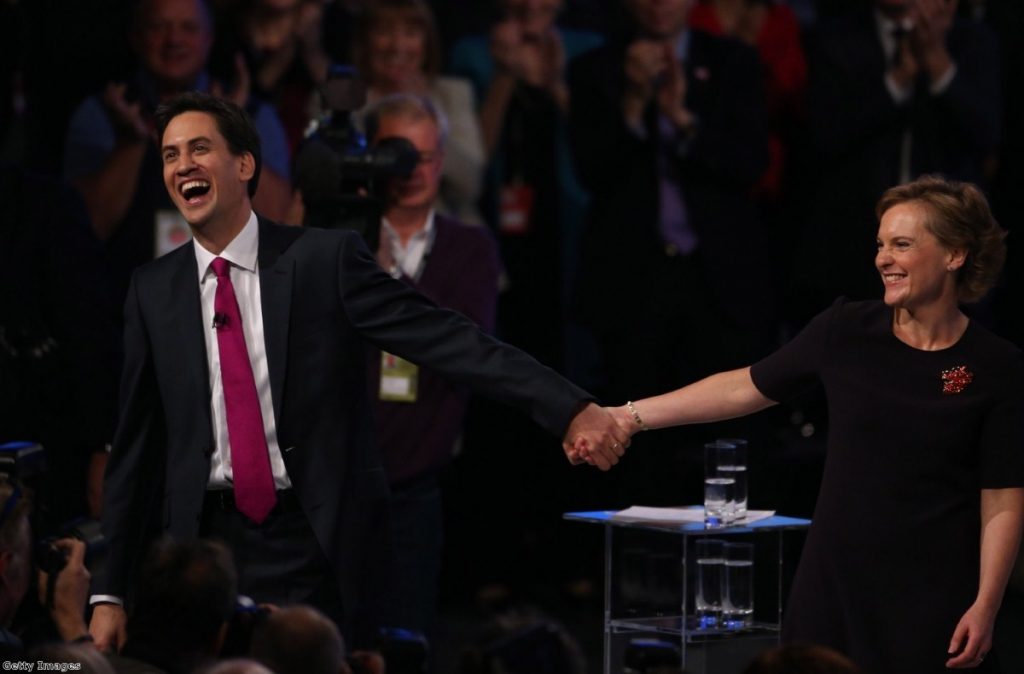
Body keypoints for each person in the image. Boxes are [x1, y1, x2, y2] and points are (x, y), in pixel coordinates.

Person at [88, 91, 626, 651]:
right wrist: (109, 593)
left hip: (312, 542)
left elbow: (452, 340)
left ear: (245, 164)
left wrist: (568, 406)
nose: (183, 166)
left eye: (200, 148)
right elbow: (133, 451)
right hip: (203, 555)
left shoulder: (323, 261)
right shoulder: (151, 290)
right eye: (171, 155)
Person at [591, 175, 1024, 672]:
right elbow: (741, 388)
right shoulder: (846, 331)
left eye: (902, 245)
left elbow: (1003, 498)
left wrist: (987, 605)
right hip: (834, 587)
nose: (883, 259)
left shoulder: (997, 366)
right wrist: (627, 417)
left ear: (956, 255)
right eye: (880, 244)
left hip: (933, 596)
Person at [363, 94, 501, 636]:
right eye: (398, 154)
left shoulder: (469, 248)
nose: (412, 171)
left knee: (405, 638)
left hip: (414, 485)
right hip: (332, 480)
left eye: (424, 156)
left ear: (441, 161)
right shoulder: (339, 241)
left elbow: (464, 347)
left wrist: (382, 283)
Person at [62, 0, 294, 304]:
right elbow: (85, 229)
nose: (174, 40)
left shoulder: (252, 114)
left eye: (189, 27)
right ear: (136, 37)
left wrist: (230, 136)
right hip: (126, 311)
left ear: (208, 38)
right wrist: (130, 144)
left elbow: (279, 227)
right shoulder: (104, 114)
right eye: (159, 27)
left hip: (230, 311)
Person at [350, 0, 486, 225]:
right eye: (384, 32)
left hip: (448, 230)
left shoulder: (453, 94)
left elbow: (470, 183)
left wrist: (423, 111)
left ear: (427, 43)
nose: (397, 46)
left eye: (411, 33)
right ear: (365, 41)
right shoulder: (342, 100)